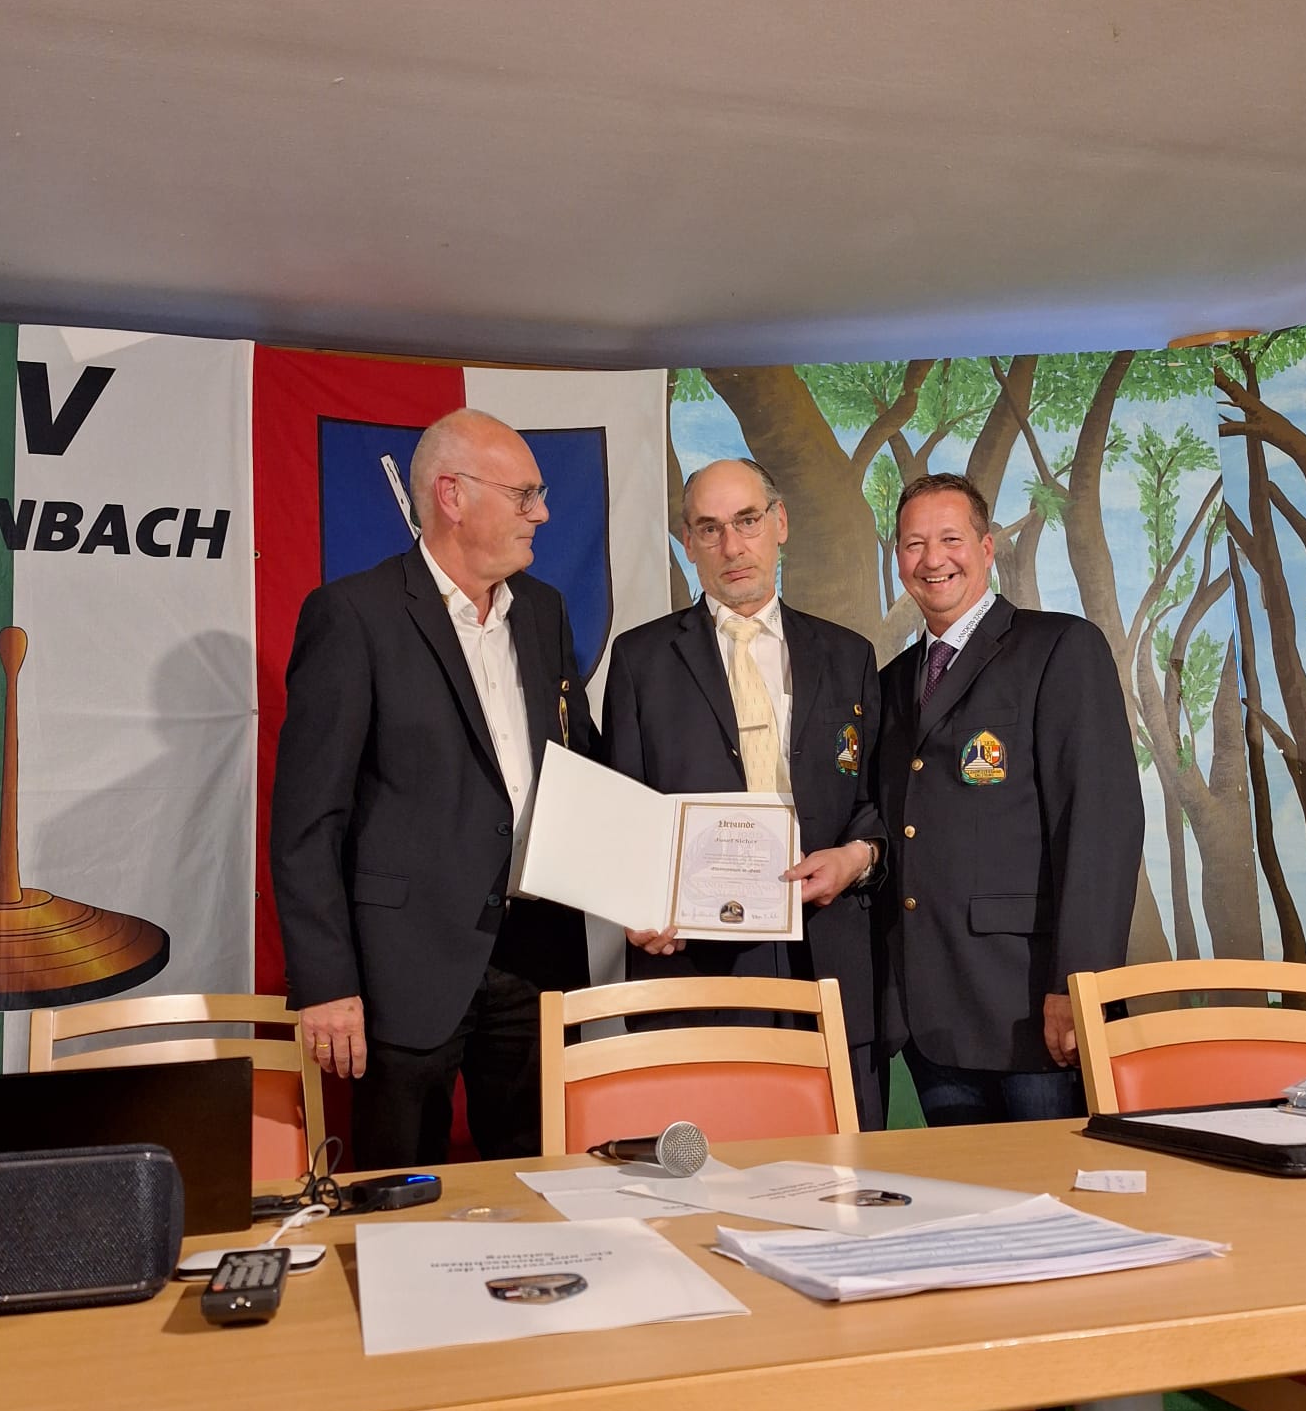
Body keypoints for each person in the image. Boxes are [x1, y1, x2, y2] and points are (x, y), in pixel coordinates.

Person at [270, 407, 592, 1169]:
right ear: (453, 496)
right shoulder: (354, 615)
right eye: (525, 495)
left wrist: (649, 886)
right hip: (404, 972)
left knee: (540, 1186)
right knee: (398, 1195)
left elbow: (580, 770)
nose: (543, 513)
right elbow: (308, 820)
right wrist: (326, 981)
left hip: (536, 960)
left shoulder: (543, 611)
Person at [603, 457, 887, 1127]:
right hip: (694, 971)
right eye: (710, 529)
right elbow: (622, 813)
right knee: (708, 1172)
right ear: (688, 542)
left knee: (845, 1165)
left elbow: (878, 803)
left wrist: (856, 858)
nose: (732, 546)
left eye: (748, 521)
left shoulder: (847, 654)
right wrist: (637, 902)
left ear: (779, 522)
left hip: (828, 961)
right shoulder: (641, 659)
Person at [876, 470, 1143, 1126]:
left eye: (950, 539)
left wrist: (1078, 986)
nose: (932, 560)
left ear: (987, 547)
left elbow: (1100, 827)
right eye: (913, 544)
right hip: (929, 1015)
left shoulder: (1059, 648)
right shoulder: (890, 683)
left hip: (1032, 1007)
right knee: (961, 1187)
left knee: (1058, 1186)